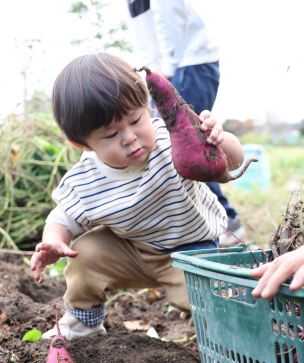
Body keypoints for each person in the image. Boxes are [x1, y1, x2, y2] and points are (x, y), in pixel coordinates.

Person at [30, 52, 244, 340]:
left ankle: (220, 343)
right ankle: (84, 322)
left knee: (213, 299)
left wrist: (219, 140)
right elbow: (63, 218)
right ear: (82, 143)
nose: (129, 137)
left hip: (192, 250)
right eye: (110, 134)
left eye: (134, 121)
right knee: (84, 256)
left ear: (148, 108)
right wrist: (54, 241)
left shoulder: (172, 142)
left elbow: (232, 162)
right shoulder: (84, 180)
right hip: (132, 249)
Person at [123, 0, 245, 246]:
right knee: (183, 150)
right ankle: (221, 218)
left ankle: (224, 220)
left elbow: (169, 8)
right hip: (168, 67)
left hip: (186, 64)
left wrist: (166, 66)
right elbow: (141, 29)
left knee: (194, 148)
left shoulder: (175, 64)